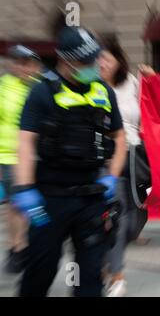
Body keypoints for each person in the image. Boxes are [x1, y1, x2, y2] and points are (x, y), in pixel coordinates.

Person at [11, 27, 127, 297]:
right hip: (49, 200)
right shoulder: (42, 93)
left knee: (89, 278)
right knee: (40, 270)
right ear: (64, 60)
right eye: (84, 61)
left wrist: (111, 176)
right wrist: (25, 188)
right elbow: (26, 142)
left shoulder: (104, 93)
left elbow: (119, 138)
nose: (92, 66)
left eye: (94, 59)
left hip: (92, 197)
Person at [98, 36, 152, 296]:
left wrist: (152, 81)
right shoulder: (92, 87)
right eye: (97, 58)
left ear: (119, 61)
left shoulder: (131, 83)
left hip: (137, 157)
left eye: (106, 58)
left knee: (136, 219)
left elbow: (154, 108)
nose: (101, 63)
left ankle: (104, 261)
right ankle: (117, 274)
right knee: (117, 218)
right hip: (108, 158)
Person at [0, 45, 41, 274]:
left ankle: (21, 247)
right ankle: (17, 248)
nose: (23, 68)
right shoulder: (3, 87)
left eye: (27, 63)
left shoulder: (38, 87)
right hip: (8, 155)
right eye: (18, 63)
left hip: (36, 155)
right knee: (16, 204)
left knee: (27, 204)